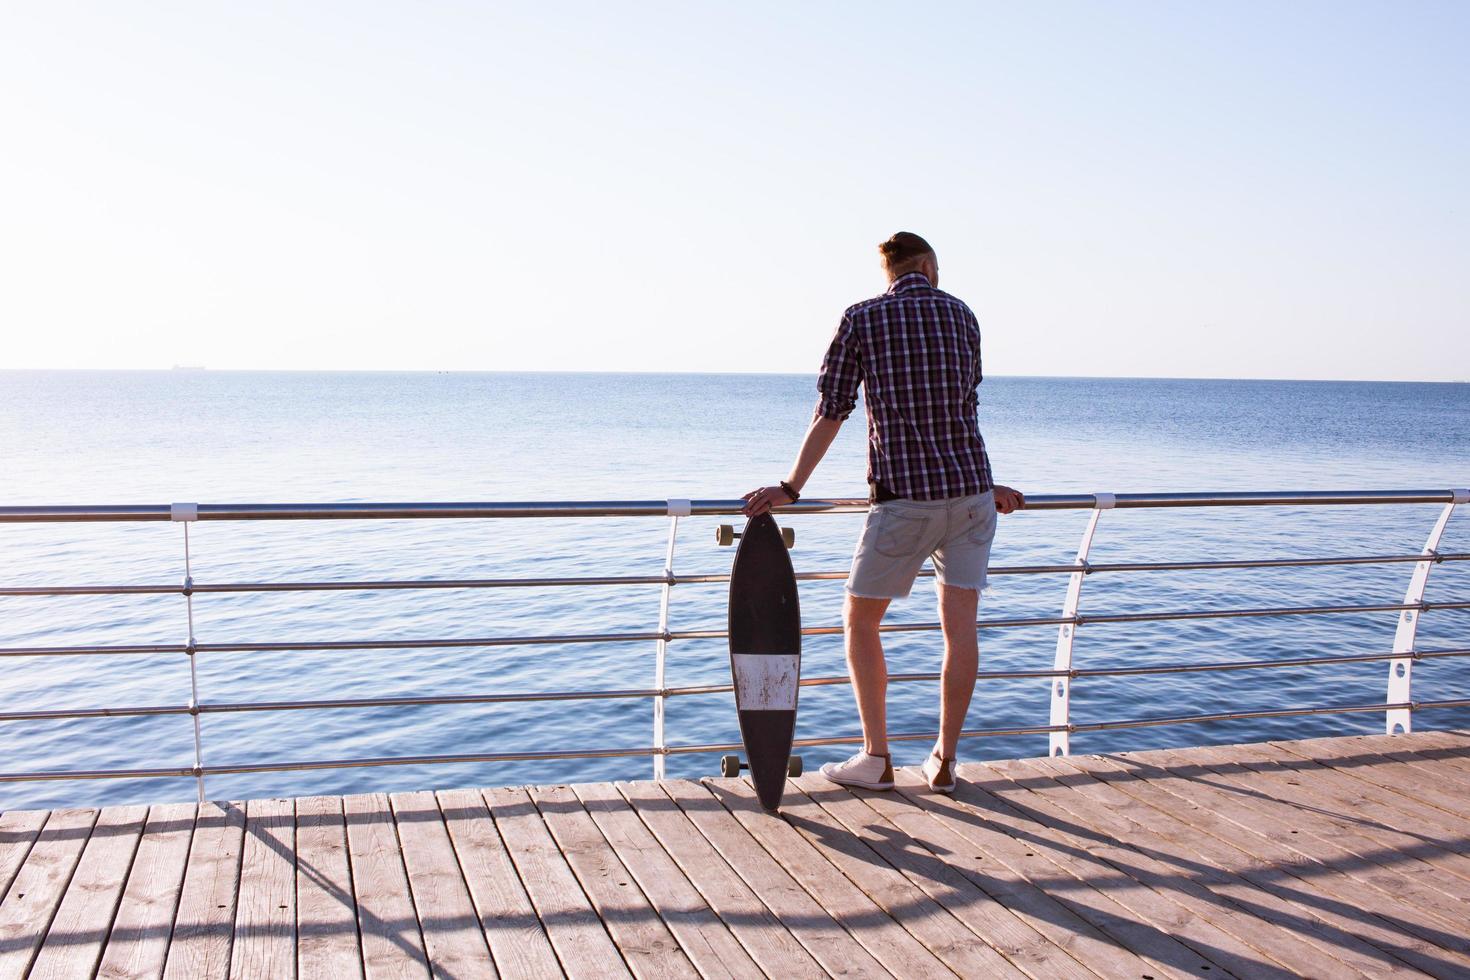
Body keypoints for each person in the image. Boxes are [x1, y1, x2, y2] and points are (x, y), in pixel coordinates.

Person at [743, 231, 1023, 794]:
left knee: (860, 622)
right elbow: (962, 407)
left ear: (890, 271)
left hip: (905, 501)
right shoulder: (962, 315)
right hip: (971, 497)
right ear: (927, 265)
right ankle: (944, 762)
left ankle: (876, 758)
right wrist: (984, 482)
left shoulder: (862, 318)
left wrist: (790, 487)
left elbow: (832, 412)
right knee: (960, 630)